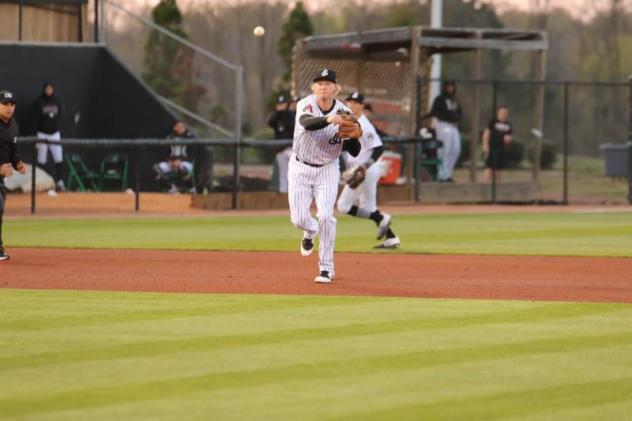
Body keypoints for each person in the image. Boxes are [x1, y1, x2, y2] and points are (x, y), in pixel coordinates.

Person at [289, 68, 361, 283]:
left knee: (326, 217)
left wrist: (354, 136)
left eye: (328, 83)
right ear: (314, 88)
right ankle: (310, 232)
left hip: (328, 169)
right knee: (299, 219)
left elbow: (354, 151)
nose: (323, 86)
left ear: (335, 88)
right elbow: (306, 123)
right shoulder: (306, 104)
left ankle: (326, 268)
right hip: (300, 167)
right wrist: (330, 120)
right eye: (319, 83)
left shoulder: (345, 113)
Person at [336, 92, 400, 249]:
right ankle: (392, 238)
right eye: (350, 101)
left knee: (343, 206)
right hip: (362, 169)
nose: (352, 105)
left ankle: (381, 217)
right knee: (368, 208)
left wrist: (364, 167)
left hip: (366, 170)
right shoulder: (349, 121)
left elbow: (378, 148)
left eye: (356, 102)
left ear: (362, 106)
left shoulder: (364, 124)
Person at [0, 90, 27, 261]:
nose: (9, 108)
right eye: (5, 104)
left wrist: (18, 164)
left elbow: (12, 150)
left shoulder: (13, 126)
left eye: (12, 104)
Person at [33, 82, 65, 195]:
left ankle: (60, 182)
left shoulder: (57, 101)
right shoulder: (39, 102)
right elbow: (35, 118)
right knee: (41, 159)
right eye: (47, 89)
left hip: (55, 134)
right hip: (42, 134)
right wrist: (38, 132)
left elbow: (60, 114)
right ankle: (40, 183)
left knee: (59, 157)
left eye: (50, 89)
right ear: (44, 89)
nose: (49, 90)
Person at [430, 80, 462, 182]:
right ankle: (442, 174)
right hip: (443, 125)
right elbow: (435, 112)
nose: (450, 88)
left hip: (453, 126)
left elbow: (459, 112)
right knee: (445, 149)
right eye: (448, 86)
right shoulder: (440, 99)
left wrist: (457, 120)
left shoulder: (454, 100)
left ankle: (447, 173)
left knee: (456, 149)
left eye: (452, 86)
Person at [153, 121, 195, 194]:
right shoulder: (169, 137)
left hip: (185, 162)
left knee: (182, 168)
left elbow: (193, 154)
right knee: (156, 169)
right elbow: (164, 152)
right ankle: (171, 187)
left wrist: (180, 161)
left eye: (182, 126)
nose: (180, 128)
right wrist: (168, 161)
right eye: (178, 126)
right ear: (174, 127)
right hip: (171, 162)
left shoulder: (190, 137)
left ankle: (190, 187)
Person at [269, 95, 296, 193]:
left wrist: (285, 111)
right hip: (280, 149)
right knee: (283, 173)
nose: (281, 106)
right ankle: (284, 194)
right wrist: (277, 112)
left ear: (286, 104)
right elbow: (270, 122)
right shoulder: (276, 116)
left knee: (295, 172)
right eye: (279, 104)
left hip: (291, 148)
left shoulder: (290, 114)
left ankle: (296, 194)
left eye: (283, 104)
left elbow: (292, 125)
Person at [482, 105, 512, 183]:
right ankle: (486, 185)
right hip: (492, 147)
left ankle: (498, 185)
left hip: (501, 149)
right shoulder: (493, 121)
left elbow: (508, 136)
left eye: (505, 113)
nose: (504, 114)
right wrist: (485, 145)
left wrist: (508, 140)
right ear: (498, 113)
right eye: (502, 112)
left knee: (499, 168)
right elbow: (486, 133)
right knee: (489, 167)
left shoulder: (508, 125)